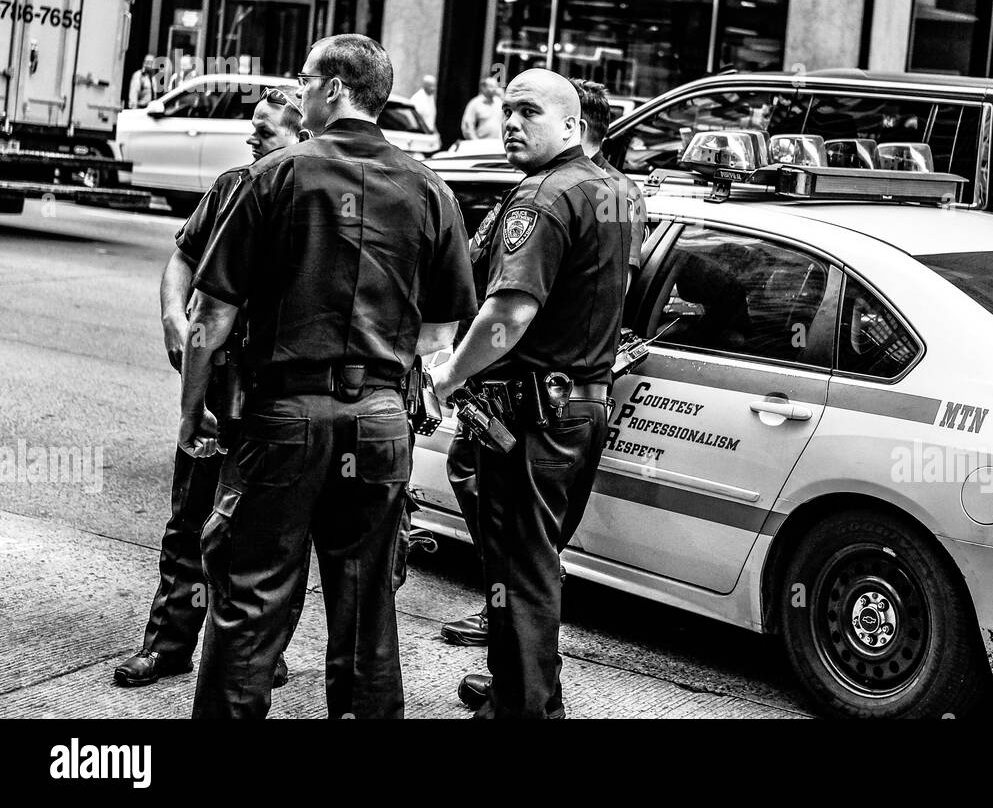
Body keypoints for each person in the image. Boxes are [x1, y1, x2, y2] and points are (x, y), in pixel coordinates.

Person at [181, 35, 477, 719]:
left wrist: (192, 406)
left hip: (284, 418)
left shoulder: (274, 177)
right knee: (366, 608)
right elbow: (437, 339)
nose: (300, 91)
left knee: (250, 601)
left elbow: (210, 312)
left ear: (335, 89)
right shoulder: (432, 189)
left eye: (306, 80)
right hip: (378, 422)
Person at [431, 68, 633, 719]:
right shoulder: (615, 190)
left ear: (571, 126)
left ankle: (527, 709)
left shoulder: (541, 196)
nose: (511, 122)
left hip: (530, 418)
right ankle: (522, 691)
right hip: (583, 408)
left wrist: (446, 375)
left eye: (529, 112)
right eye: (507, 110)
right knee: (535, 566)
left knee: (520, 573)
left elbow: (508, 316)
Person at [114, 89, 310, 689]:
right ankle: (169, 645)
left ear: (303, 137)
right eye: (252, 130)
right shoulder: (230, 186)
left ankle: (260, 651)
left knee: (266, 536)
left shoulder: (317, 200)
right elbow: (182, 256)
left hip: (277, 396)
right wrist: (174, 315)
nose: (251, 141)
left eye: (266, 133)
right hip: (220, 382)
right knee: (190, 519)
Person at [460, 76, 503, 141]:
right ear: (484, 88)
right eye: (491, 86)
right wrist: (475, 141)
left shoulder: (499, 102)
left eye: (496, 86)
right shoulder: (475, 103)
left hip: (498, 143)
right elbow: (467, 125)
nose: (494, 89)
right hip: (482, 143)